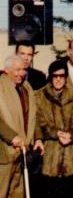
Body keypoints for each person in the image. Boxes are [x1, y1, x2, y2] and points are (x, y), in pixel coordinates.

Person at [35, 60, 73, 198]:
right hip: (50, 158)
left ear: (66, 77)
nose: (58, 79)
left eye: (62, 76)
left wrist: (71, 135)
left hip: (71, 157)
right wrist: (55, 132)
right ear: (50, 77)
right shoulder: (39, 96)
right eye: (55, 76)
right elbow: (38, 123)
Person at [0, 55, 43, 198]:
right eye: (17, 69)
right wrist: (12, 136)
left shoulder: (26, 87)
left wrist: (38, 138)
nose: (21, 73)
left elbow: (33, 116)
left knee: (17, 193)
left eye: (23, 69)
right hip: (4, 154)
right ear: (6, 70)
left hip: (22, 152)